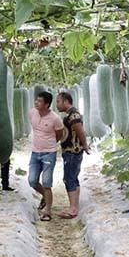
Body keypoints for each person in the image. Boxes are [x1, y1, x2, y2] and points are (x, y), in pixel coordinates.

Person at [28, 91, 64, 221]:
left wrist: (51, 143)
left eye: (39, 101)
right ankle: (46, 196)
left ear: (47, 104)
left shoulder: (55, 118)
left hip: (49, 153)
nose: (36, 102)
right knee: (32, 181)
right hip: (35, 152)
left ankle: (47, 211)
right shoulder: (32, 113)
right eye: (36, 100)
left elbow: (59, 134)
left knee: (47, 182)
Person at [55, 91, 90, 219]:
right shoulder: (70, 114)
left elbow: (80, 131)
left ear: (65, 101)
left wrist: (85, 145)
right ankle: (74, 206)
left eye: (58, 101)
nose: (57, 104)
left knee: (69, 179)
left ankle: (73, 209)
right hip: (71, 152)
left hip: (72, 152)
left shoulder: (73, 114)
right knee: (73, 178)